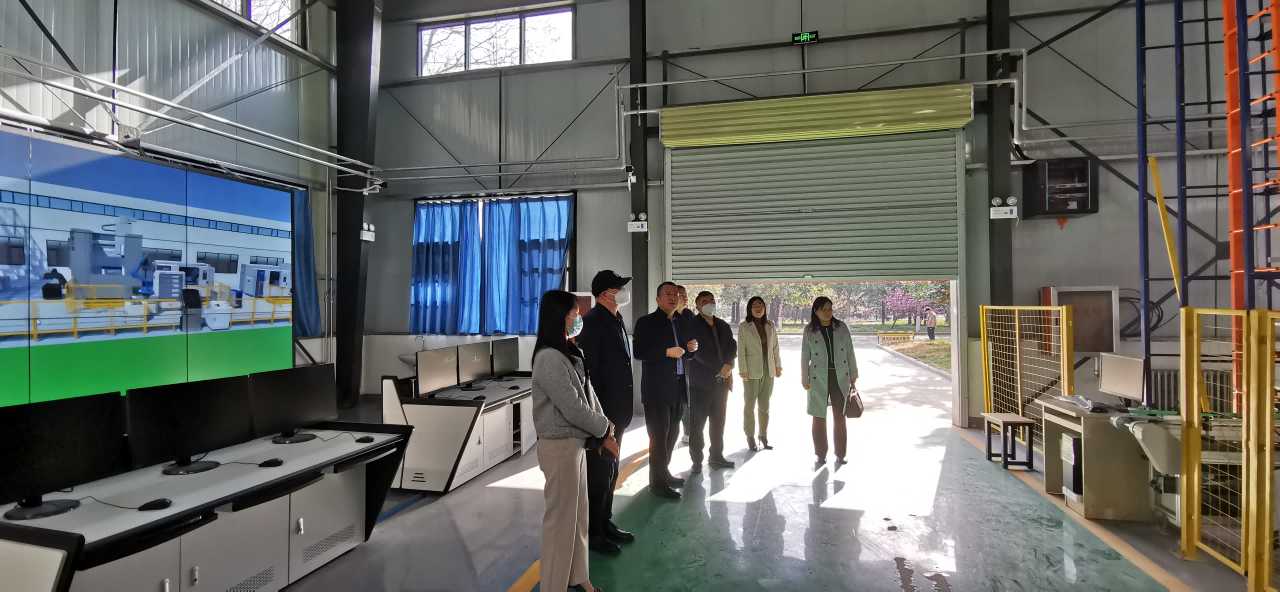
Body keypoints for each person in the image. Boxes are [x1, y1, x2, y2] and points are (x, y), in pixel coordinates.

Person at [531, 290, 615, 592]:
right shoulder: (548, 358)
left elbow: (587, 394)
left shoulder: (568, 351)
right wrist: (603, 428)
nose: (579, 317)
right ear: (561, 316)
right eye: (575, 312)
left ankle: (579, 579)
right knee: (560, 523)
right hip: (559, 447)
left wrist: (605, 426)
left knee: (578, 518)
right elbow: (572, 407)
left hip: (575, 445)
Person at [577, 270, 636, 555]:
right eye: (618, 288)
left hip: (618, 410)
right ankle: (593, 531)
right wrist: (601, 420)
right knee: (598, 474)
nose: (623, 292)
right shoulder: (592, 322)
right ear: (604, 293)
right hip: (604, 414)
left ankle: (605, 520)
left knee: (611, 470)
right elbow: (591, 376)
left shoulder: (616, 318)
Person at [632, 281, 697, 499]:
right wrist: (665, 352)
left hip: (679, 386)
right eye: (667, 294)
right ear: (658, 299)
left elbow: (686, 353)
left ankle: (664, 472)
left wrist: (691, 350)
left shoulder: (682, 322)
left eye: (676, 294)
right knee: (659, 437)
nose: (673, 297)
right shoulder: (646, 322)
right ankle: (657, 483)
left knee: (672, 434)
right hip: (657, 389)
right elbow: (639, 352)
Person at [801, 296, 858, 466]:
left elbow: (849, 351)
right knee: (819, 416)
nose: (827, 313)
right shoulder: (809, 330)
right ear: (816, 311)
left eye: (830, 309)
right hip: (817, 377)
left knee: (840, 416)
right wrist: (804, 378)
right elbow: (805, 356)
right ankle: (821, 453)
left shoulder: (841, 327)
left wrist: (853, 373)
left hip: (840, 377)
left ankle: (841, 454)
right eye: (823, 309)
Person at [685, 291, 737, 474]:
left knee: (718, 422)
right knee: (697, 424)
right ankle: (697, 461)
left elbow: (732, 346)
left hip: (722, 382)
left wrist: (729, 365)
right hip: (701, 383)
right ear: (698, 306)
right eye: (705, 301)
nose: (710, 304)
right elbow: (697, 353)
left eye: (712, 300)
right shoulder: (691, 325)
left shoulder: (723, 325)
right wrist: (719, 367)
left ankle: (716, 455)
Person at [738, 296, 781, 452]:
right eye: (754, 305)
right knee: (749, 405)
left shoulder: (770, 325)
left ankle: (763, 436)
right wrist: (743, 371)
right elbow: (741, 350)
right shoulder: (744, 326)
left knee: (765, 405)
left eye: (761, 305)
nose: (758, 308)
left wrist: (778, 366)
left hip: (768, 369)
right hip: (751, 370)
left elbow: (775, 348)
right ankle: (750, 436)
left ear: (764, 308)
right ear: (750, 309)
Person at [675, 285, 696, 444]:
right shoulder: (669, 317)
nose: (685, 298)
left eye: (685, 295)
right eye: (680, 295)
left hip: (691, 364)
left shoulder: (689, 315)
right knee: (678, 401)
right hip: (674, 365)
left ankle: (689, 430)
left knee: (690, 400)